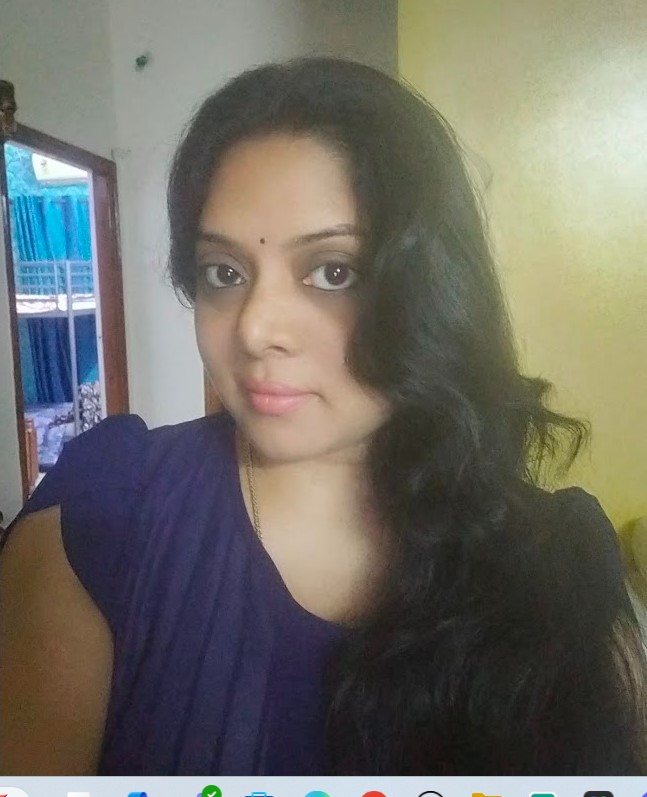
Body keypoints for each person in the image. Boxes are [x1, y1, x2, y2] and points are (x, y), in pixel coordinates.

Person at [0, 56, 645, 776]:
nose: (255, 329)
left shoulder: (555, 563)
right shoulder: (107, 515)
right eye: (224, 272)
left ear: (431, 291)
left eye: (333, 271)